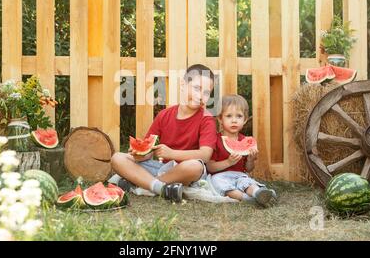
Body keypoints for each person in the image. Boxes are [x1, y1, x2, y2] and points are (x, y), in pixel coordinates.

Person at [111, 64, 217, 202]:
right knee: (117, 158)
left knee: (196, 166)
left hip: (184, 172)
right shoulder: (164, 115)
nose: (200, 96)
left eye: (207, 92)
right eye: (197, 88)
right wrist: (139, 155)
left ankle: (144, 184)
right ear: (183, 85)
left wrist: (172, 154)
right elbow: (149, 152)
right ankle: (161, 188)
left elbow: (205, 155)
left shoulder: (207, 119)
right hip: (162, 169)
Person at [206, 94, 277, 207]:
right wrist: (228, 162)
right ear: (220, 118)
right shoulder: (215, 140)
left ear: (244, 120)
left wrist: (250, 160)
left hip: (239, 175)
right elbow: (210, 167)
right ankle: (248, 199)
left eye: (239, 116)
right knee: (218, 183)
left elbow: (248, 169)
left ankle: (257, 192)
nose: (234, 120)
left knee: (247, 182)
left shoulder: (246, 141)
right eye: (229, 116)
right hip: (220, 176)